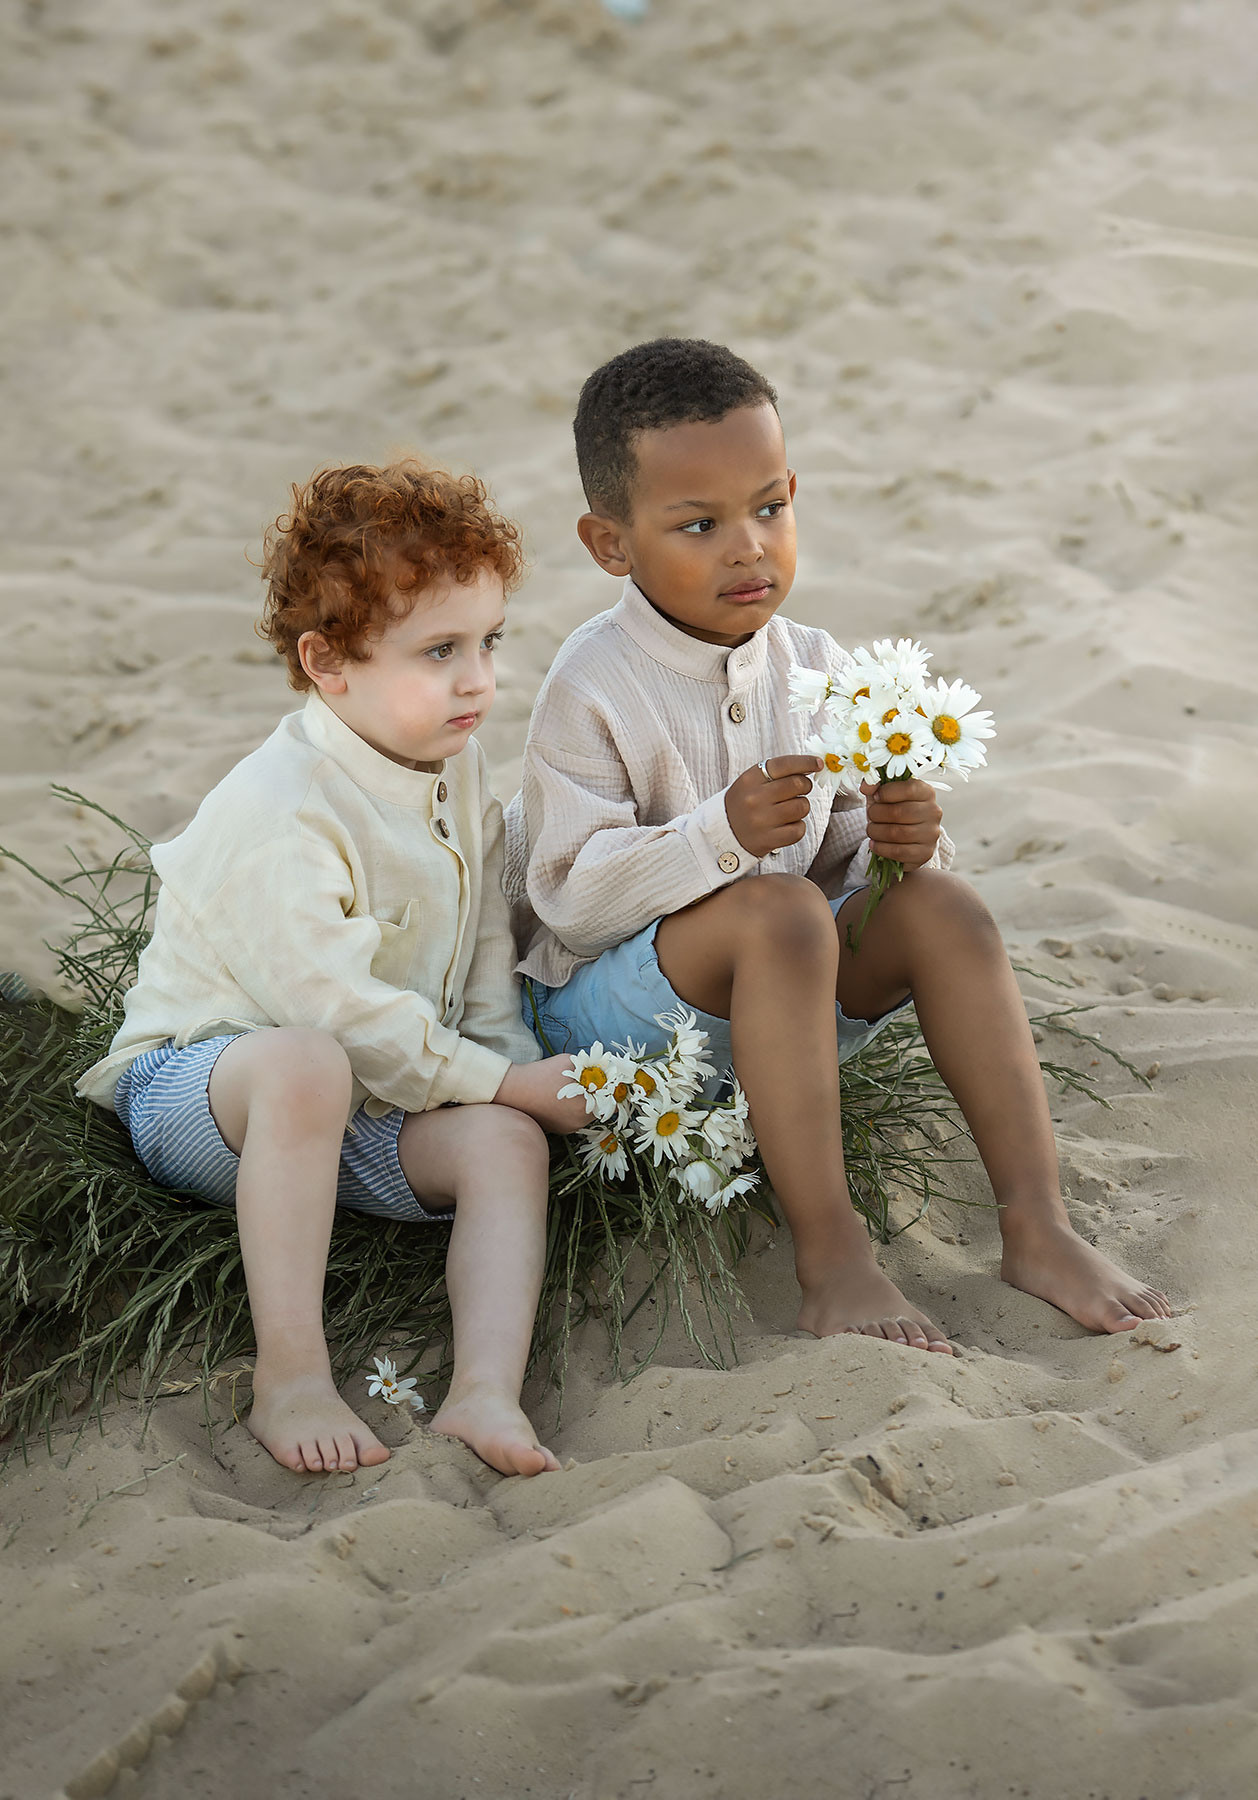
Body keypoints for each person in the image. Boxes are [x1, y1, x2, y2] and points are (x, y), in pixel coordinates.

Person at [506, 338, 1173, 1354]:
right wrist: (716, 836)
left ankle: (1038, 1225)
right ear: (611, 544)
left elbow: (841, 868)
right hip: (618, 1025)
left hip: (788, 1007)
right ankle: (832, 1257)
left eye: (770, 508)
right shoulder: (590, 685)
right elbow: (570, 898)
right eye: (699, 524)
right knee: (775, 912)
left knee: (941, 905)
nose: (749, 548)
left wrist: (900, 848)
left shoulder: (815, 664)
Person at [78, 460, 587, 1477]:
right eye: (438, 650)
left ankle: (484, 1393)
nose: (477, 680)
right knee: (307, 1060)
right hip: (212, 1085)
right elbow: (333, 1010)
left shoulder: (456, 758)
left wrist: (511, 1078)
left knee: (505, 1145)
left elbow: (485, 943)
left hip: (367, 1098)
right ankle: (292, 1377)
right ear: (327, 662)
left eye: (488, 641)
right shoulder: (282, 806)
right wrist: (497, 1079)